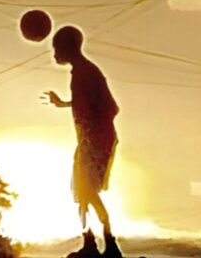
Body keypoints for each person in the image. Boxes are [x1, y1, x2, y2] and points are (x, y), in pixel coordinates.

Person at [42, 26, 122, 258]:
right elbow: (87, 104)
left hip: (95, 142)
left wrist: (92, 133)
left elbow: (111, 108)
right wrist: (65, 104)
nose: (54, 53)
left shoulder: (86, 73)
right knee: (82, 191)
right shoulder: (82, 73)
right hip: (91, 141)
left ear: (68, 48)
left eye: (56, 48)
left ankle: (108, 242)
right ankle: (92, 242)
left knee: (86, 191)